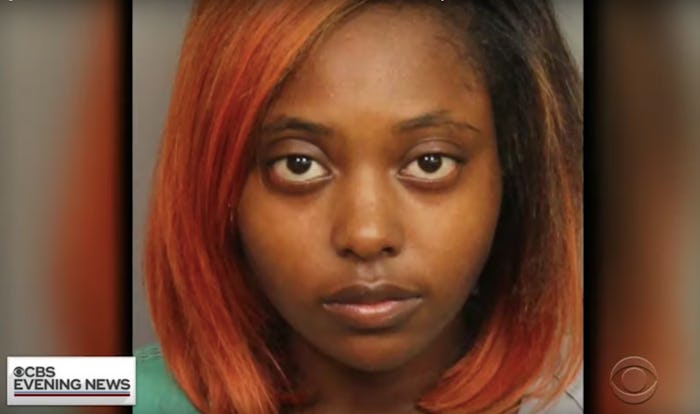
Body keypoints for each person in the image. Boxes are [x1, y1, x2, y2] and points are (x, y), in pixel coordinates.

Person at [136, 1, 582, 413]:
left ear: (514, 173)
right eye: (299, 165)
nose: (366, 235)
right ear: (218, 187)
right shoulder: (116, 386)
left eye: (430, 163)